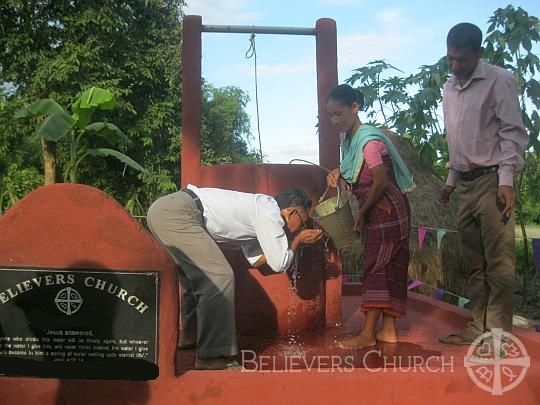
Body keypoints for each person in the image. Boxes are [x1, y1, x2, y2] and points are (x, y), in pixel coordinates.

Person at [147, 186, 323, 369]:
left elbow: (259, 261)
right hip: (179, 214)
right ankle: (212, 357)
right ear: (291, 212)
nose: (303, 226)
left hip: (167, 211)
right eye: (303, 221)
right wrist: (297, 241)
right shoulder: (270, 214)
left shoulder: (260, 214)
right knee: (220, 276)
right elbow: (280, 263)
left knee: (194, 278)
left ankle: (191, 335)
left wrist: (292, 246)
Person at [439, 23, 528, 346]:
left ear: (479, 53)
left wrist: (506, 181)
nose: (455, 66)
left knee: (499, 264)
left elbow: (512, 133)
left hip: (493, 181)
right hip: (464, 184)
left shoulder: (499, 81)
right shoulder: (450, 88)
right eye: (450, 59)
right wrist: (451, 179)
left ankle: (500, 337)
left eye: (461, 59)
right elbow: (456, 139)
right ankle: (479, 328)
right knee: (474, 263)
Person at [326, 84, 415, 350]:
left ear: (355, 108)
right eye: (330, 115)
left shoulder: (369, 141)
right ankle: (388, 330)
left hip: (386, 210)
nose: (334, 121)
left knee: (377, 267)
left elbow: (380, 182)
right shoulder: (349, 141)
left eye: (338, 114)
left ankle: (367, 335)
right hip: (379, 209)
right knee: (390, 265)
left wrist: (362, 213)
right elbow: (353, 169)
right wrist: (338, 173)